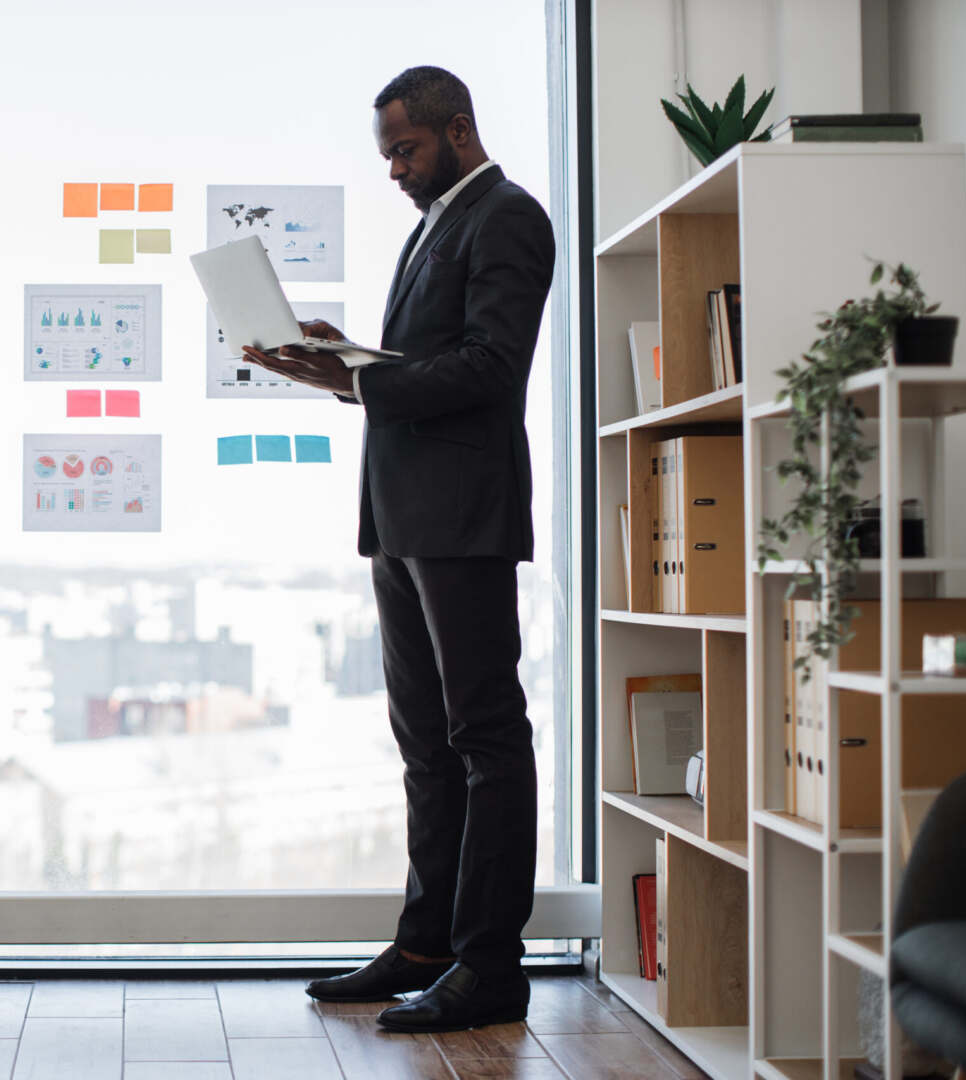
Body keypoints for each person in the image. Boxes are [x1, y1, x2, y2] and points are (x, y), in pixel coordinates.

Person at [243, 65, 555, 1032]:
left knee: (484, 737)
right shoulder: (435, 225)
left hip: (462, 516)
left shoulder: (508, 216)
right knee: (425, 743)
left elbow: (493, 366)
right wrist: (343, 360)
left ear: (458, 130)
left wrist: (361, 383)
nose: (393, 172)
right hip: (407, 515)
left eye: (404, 151)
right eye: (387, 155)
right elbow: (431, 358)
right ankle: (425, 943)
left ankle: (490, 965)